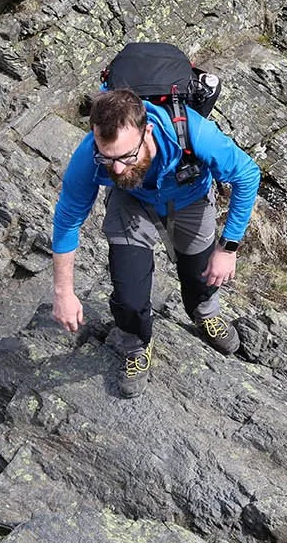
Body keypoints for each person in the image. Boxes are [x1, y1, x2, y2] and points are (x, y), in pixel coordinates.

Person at [50, 87, 261, 396]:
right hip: (131, 200)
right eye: (108, 159)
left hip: (190, 198)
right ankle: (136, 345)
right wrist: (63, 292)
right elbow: (67, 220)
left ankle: (205, 312)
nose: (118, 168)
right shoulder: (90, 157)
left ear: (146, 130)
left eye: (126, 156)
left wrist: (228, 247)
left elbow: (247, 174)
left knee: (200, 271)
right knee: (128, 294)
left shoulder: (194, 133)